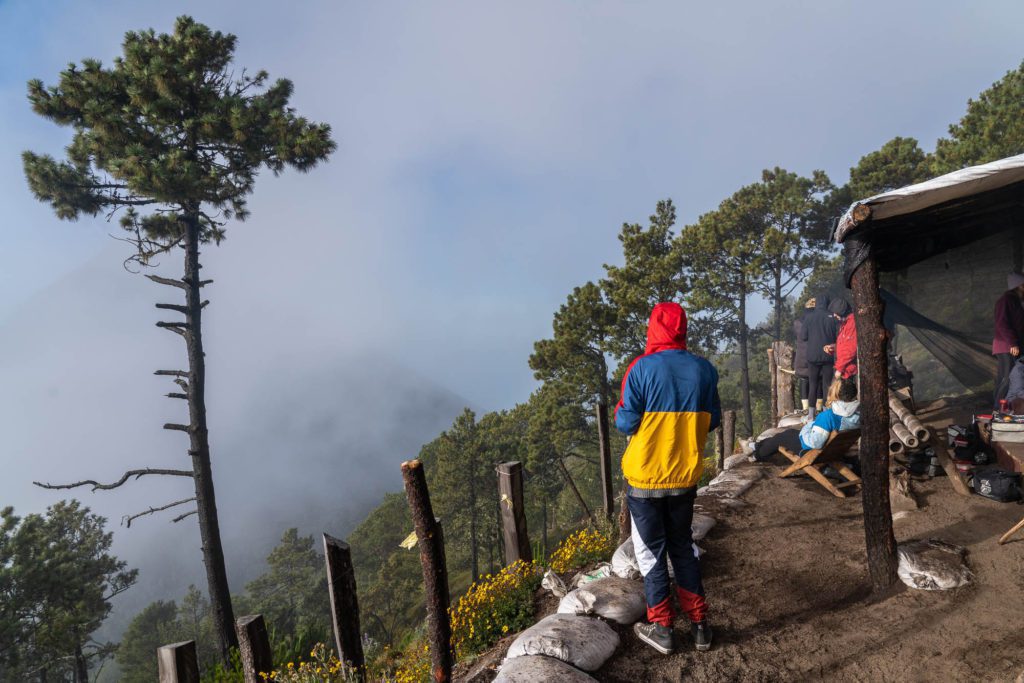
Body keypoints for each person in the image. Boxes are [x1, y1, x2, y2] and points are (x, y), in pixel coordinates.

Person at [615, 302, 721, 655]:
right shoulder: (704, 370)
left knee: (651, 555)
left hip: (645, 479)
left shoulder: (641, 369)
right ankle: (700, 626)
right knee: (682, 548)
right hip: (684, 476)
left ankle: (662, 627)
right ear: (682, 329)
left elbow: (626, 423)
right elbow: (715, 419)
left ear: (653, 328)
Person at [752, 377, 860, 462]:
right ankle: (756, 446)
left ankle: (756, 454)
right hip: (835, 451)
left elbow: (816, 443)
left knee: (783, 436)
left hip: (814, 451)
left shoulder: (828, 416)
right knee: (788, 433)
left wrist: (805, 431)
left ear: (835, 393)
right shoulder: (858, 415)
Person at [801, 293, 838, 417]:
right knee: (827, 384)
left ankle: (811, 415)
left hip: (812, 356)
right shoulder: (832, 317)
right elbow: (836, 336)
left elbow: (804, 337)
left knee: (813, 384)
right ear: (827, 303)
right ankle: (827, 412)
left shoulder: (809, 317)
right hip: (828, 355)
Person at [994, 273, 1024, 408]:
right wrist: (1012, 343)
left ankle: (1009, 408)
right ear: (1019, 286)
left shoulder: (1017, 301)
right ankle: (997, 410)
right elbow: (1002, 324)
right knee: (1007, 379)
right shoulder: (1006, 300)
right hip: (1007, 347)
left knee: (1013, 379)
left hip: (1014, 346)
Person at [794, 298, 815, 410]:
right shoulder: (816, 321)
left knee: (804, 380)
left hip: (801, 356)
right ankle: (818, 406)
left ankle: (805, 408)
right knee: (818, 381)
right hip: (815, 355)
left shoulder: (797, 323)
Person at [831, 298, 857, 380]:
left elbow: (851, 349)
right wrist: (834, 348)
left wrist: (839, 368)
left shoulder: (852, 323)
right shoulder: (845, 323)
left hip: (849, 371)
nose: (834, 315)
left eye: (836, 312)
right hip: (844, 369)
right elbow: (844, 344)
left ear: (842, 311)